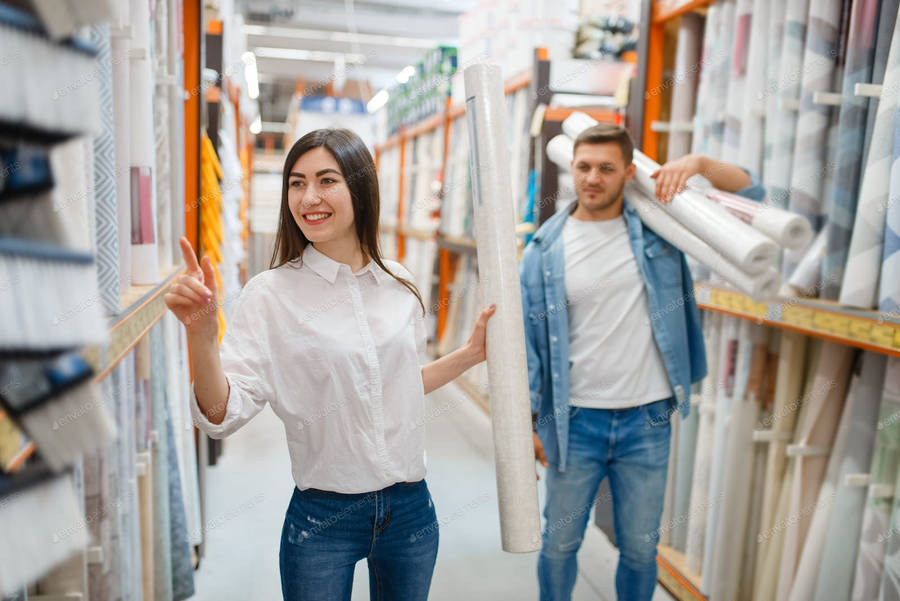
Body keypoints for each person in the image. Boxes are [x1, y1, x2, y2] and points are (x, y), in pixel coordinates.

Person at [164, 128, 495, 601]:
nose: (308, 197)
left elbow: (394, 386)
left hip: (411, 511)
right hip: (324, 519)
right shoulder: (271, 294)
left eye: (326, 180)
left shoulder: (398, 282)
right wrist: (201, 334)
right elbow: (221, 415)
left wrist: (470, 355)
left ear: (360, 187)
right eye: (296, 183)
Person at [519, 123, 765, 601]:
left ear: (629, 173)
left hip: (646, 420)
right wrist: (527, 422)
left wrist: (698, 165)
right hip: (573, 422)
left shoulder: (662, 231)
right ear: (572, 167)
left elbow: (754, 200)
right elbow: (529, 344)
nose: (593, 178)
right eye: (584, 166)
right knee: (559, 543)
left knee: (639, 547)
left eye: (607, 168)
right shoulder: (544, 250)